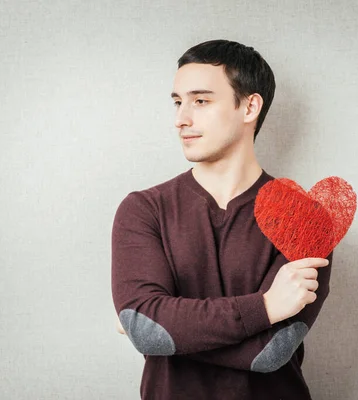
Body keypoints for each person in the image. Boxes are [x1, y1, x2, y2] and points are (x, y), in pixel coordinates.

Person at [111, 39, 333, 400]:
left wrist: (161, 329)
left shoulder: (305, 218)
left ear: (249, 106)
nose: (181, 119)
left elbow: (268, 353)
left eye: (201, 100)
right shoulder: (143, 209)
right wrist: (264, 307)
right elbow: (145, 327)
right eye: (178, 102)